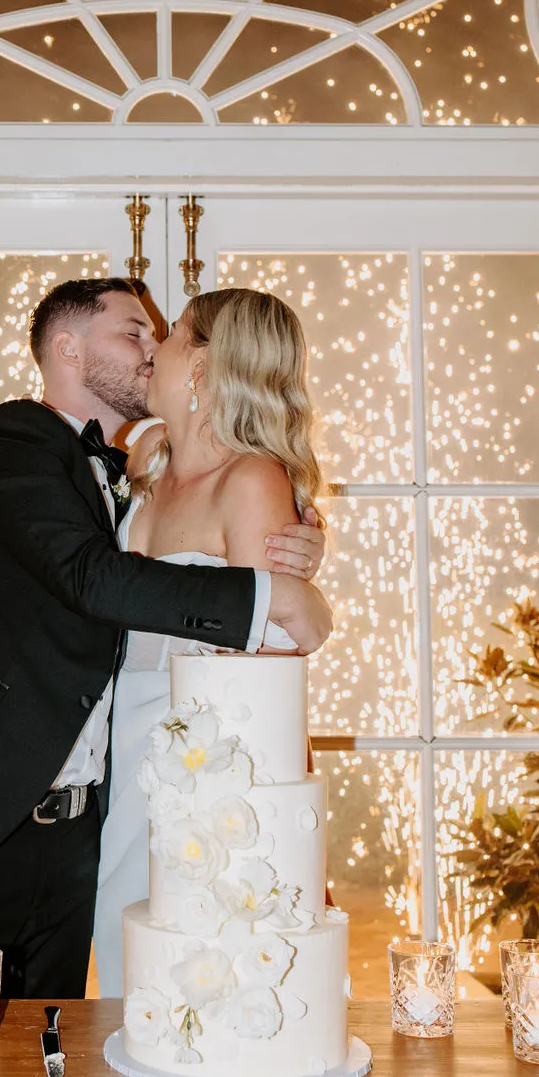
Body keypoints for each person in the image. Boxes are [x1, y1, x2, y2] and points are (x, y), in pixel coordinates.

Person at [0, 278, 330, 1001]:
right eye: (133, 332)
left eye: (161, 336)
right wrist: (269, 595)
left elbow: (253, 652)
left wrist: (297, 571)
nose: (150, 350)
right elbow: (91, 578)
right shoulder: (18, 438)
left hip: (98, 816)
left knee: (62, 1052)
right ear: (68, 349)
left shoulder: (144, 470)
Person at [93, 286, 326, 997]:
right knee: (121, 949)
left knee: (184, 967)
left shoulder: (252, 480)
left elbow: (275, 650)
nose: (153, 349)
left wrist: (309, 595)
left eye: (169, 335)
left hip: (200, 763)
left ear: (201, 365)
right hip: (114, 741)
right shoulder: (145, 460)